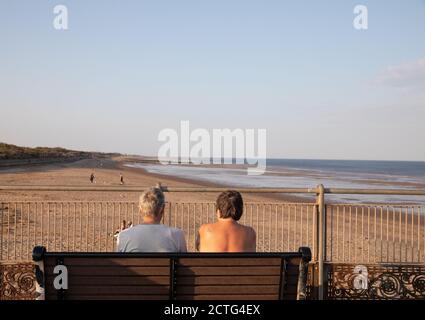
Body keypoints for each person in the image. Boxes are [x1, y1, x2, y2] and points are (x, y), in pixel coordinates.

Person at [117, 187, 187, 252]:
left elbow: (118, 263)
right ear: (162, 209)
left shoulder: (124, 235)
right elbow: (185, 263)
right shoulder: (177, 235)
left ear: (140, 209)